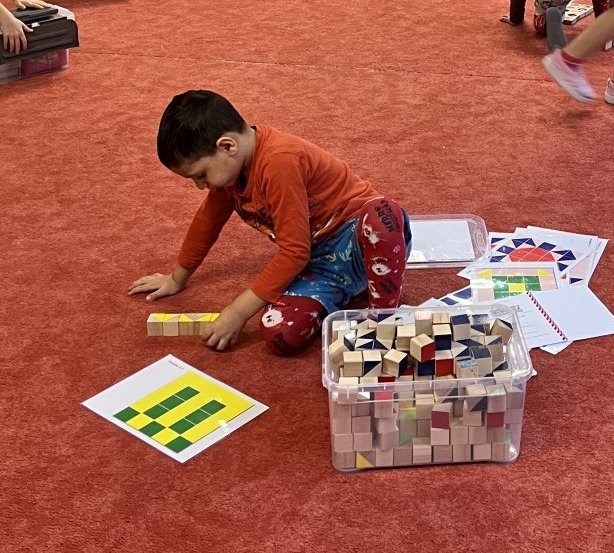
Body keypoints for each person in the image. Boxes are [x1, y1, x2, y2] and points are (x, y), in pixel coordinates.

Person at [130, 89, 410, 355]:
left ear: (227, 146)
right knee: (278, 332)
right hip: (320, 263)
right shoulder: (229, 174)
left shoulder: (279, 161)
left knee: (382, 215)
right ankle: (351, 290)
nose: (200, 186)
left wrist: (237, 312)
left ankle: (382, 318)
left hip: (362, 240)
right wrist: (177, 277)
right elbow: (207, 222)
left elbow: (294, 252)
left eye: (201, 175)